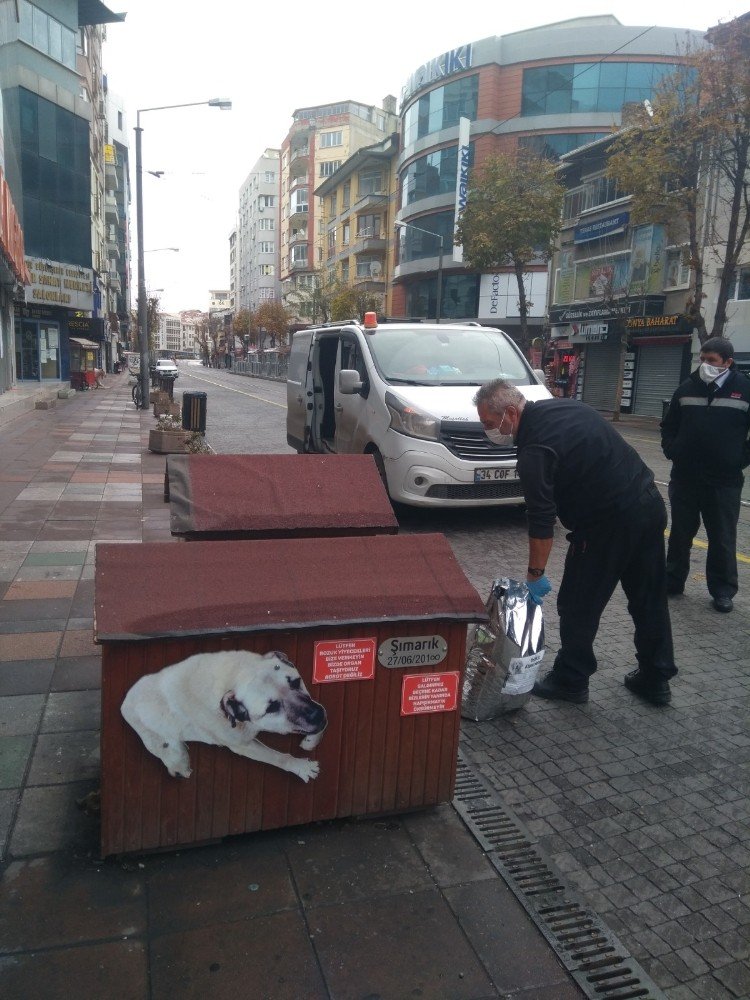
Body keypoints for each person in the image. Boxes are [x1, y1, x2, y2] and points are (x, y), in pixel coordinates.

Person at [474, 379, 677, 707]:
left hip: (607, 524)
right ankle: (656, 678)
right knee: (649, 597)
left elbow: (541, 519)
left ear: (510, 413)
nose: (488, 430)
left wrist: (535, 574)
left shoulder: (534, 450)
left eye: (488, 423)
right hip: (648, 504)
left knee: (578, 604)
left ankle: (571, 679)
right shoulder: (565, 406)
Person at [661, 337, 750, 613]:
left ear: (727, 362)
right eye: (703, 359)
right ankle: (673, 582)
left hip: (724, 481)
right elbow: (669, 425)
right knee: (680, 535)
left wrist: (739, 460)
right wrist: (672, 450)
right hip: (686, 478)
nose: (705, 365)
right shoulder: (687, 387)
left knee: (722, 538)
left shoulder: (745, 389)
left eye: (711, 361)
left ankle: (723, 591)